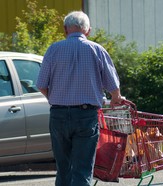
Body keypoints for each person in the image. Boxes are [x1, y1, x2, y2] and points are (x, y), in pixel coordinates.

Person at [36, 11, 124, 186]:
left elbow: (41, 84)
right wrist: (115, 98)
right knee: (82, 169)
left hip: (58, 115)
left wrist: (54, 98)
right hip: (86, 116)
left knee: (63, 170)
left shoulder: (53, 49)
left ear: (65, 30)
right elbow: (113, 85)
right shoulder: (97, 50)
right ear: (88, 31)